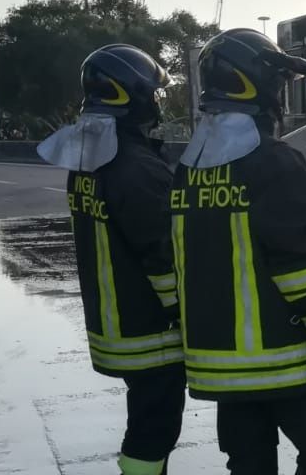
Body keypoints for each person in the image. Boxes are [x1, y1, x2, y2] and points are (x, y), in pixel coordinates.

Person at [172, 28, 306, 475]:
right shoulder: (274, 163)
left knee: (249, 466)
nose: (280, 96)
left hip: (221, 370)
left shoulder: (188, 168)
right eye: (277, 83)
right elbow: (300, 272)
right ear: (256, 85)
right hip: (285, 363)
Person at [37, 44, 184, 475]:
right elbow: (161, 254)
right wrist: (185, 312)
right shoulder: (135, 167)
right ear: (131, 95)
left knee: (145, 419)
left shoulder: (90, 161)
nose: (156, 103)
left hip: (114, 322)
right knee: (154, 428)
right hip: (149, 329)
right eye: (153, 94)